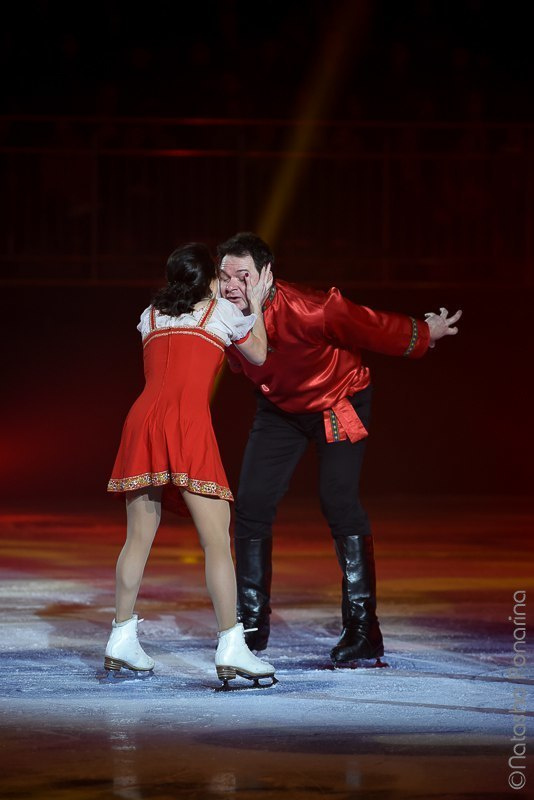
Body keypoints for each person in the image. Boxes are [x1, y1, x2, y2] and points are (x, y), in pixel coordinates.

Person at [217, 232, 462, 665]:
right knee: (252, 502)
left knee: (339, 502)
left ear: (267, 276)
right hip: (280, 409)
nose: (232, 284)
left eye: (243, 275)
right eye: (224, 276)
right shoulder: (226, 313)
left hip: (337, 400)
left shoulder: (312, 308)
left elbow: (371, 325)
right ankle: (251, 627)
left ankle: (364, 630)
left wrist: (426, 332)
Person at [105, 242, 276, 687]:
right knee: (217, 540)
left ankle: (121, 636)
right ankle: (232, 647)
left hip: (142, 420)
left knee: (137, 538)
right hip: (186, 424)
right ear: (207, 280)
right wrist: (254, 303)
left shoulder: (151, 315)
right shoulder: (218, 312)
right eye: (220, 275)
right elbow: (259, 356)